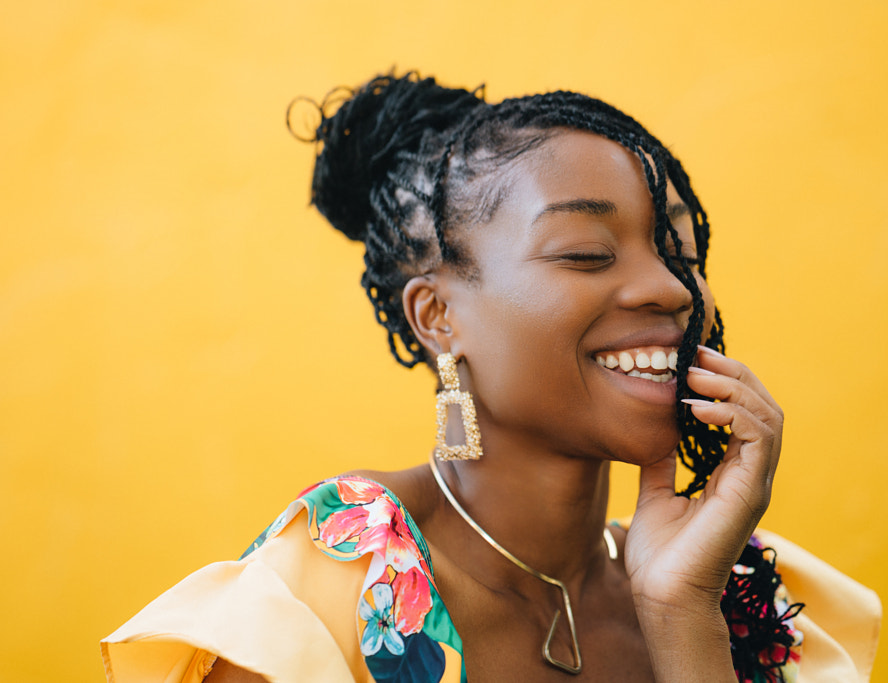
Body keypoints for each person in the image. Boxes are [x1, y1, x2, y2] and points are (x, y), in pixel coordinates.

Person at [101, 72, 880, 682]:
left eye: (679, 250)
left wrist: (681, 612)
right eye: (587, 253)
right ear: (438, 316)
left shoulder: (740, 597)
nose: (670, 288)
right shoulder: (331, 597)